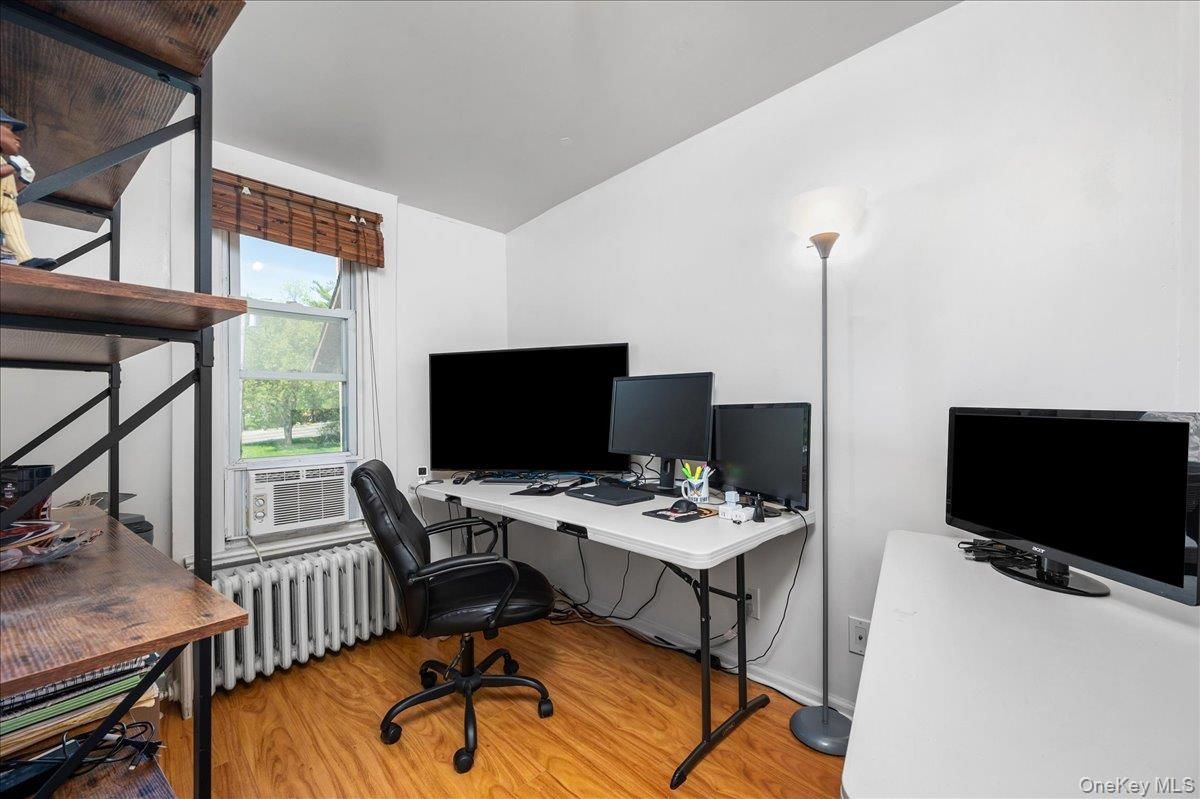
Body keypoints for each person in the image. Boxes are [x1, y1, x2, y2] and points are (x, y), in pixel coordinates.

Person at [1, 108, 56, 269]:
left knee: (15, 232)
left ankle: (25, 259)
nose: (17, 137)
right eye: (9, 129)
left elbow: (8, 190)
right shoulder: (6, 164)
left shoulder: (3, 161)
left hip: (8, 204)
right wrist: (13, 166)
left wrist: (24, 181)